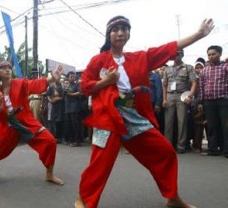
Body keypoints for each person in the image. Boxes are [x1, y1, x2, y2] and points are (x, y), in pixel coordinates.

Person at [74, 15, 214, 208]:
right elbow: (85, 87)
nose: (121, 33)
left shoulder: (139, 58)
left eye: (125, 29)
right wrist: (105, 82)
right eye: (116, 29)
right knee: (100, 163)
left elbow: (168, 48)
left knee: (165, 152)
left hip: (132, 115)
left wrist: (199, 34)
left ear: (129, 33)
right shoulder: (99, 60)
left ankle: (172, 197)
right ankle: (84, 200)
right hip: (107, 115)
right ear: (109, 35)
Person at [0, 61, 64, 185]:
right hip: (7, 127)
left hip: (26, 122)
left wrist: (51, 79)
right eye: (4, 68)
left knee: (50, 142)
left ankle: (49, 174)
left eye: (9, 68)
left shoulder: (20, 83)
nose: (8, 70)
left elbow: (33, 84)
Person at [163, 50, 197, 153]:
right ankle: (167, 146)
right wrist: (164, 99)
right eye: (173, 54)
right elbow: (164, 85)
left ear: (182, 55)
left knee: (182, 122)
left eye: (177, 54)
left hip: (182, 96)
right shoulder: (167, 69)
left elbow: (194, 82)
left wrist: (190, 95)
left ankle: (181, 146)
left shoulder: (188, 68)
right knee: (168, 122)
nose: (176, 56)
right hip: (169, 95)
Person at [198, 45, 228, 158]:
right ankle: (213, 149)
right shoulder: (204, 70)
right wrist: (200, 102)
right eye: (209, 55)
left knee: (226, 126)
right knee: (211, 126)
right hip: (209, 102)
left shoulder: (225, 67)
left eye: (213, 54)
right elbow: (201, 87)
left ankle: (226, 150)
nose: (211, 56)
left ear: (220, 54)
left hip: (223, 100)